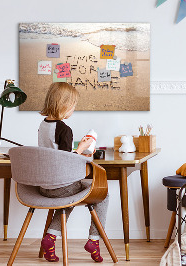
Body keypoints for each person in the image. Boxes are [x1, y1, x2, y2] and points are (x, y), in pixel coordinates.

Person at [38, 82, 108, 263]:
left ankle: (50, 238)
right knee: (103, 194)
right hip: (61, 186)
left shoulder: (43, 125)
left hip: (44, 186)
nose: (73, 109)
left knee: (68, 197)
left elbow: (55, 154)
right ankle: (94, 240)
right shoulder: (64, 129)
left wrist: (78, 150)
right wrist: (83, 148)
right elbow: (66, 161)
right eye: (73, 105)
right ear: (64, 105)